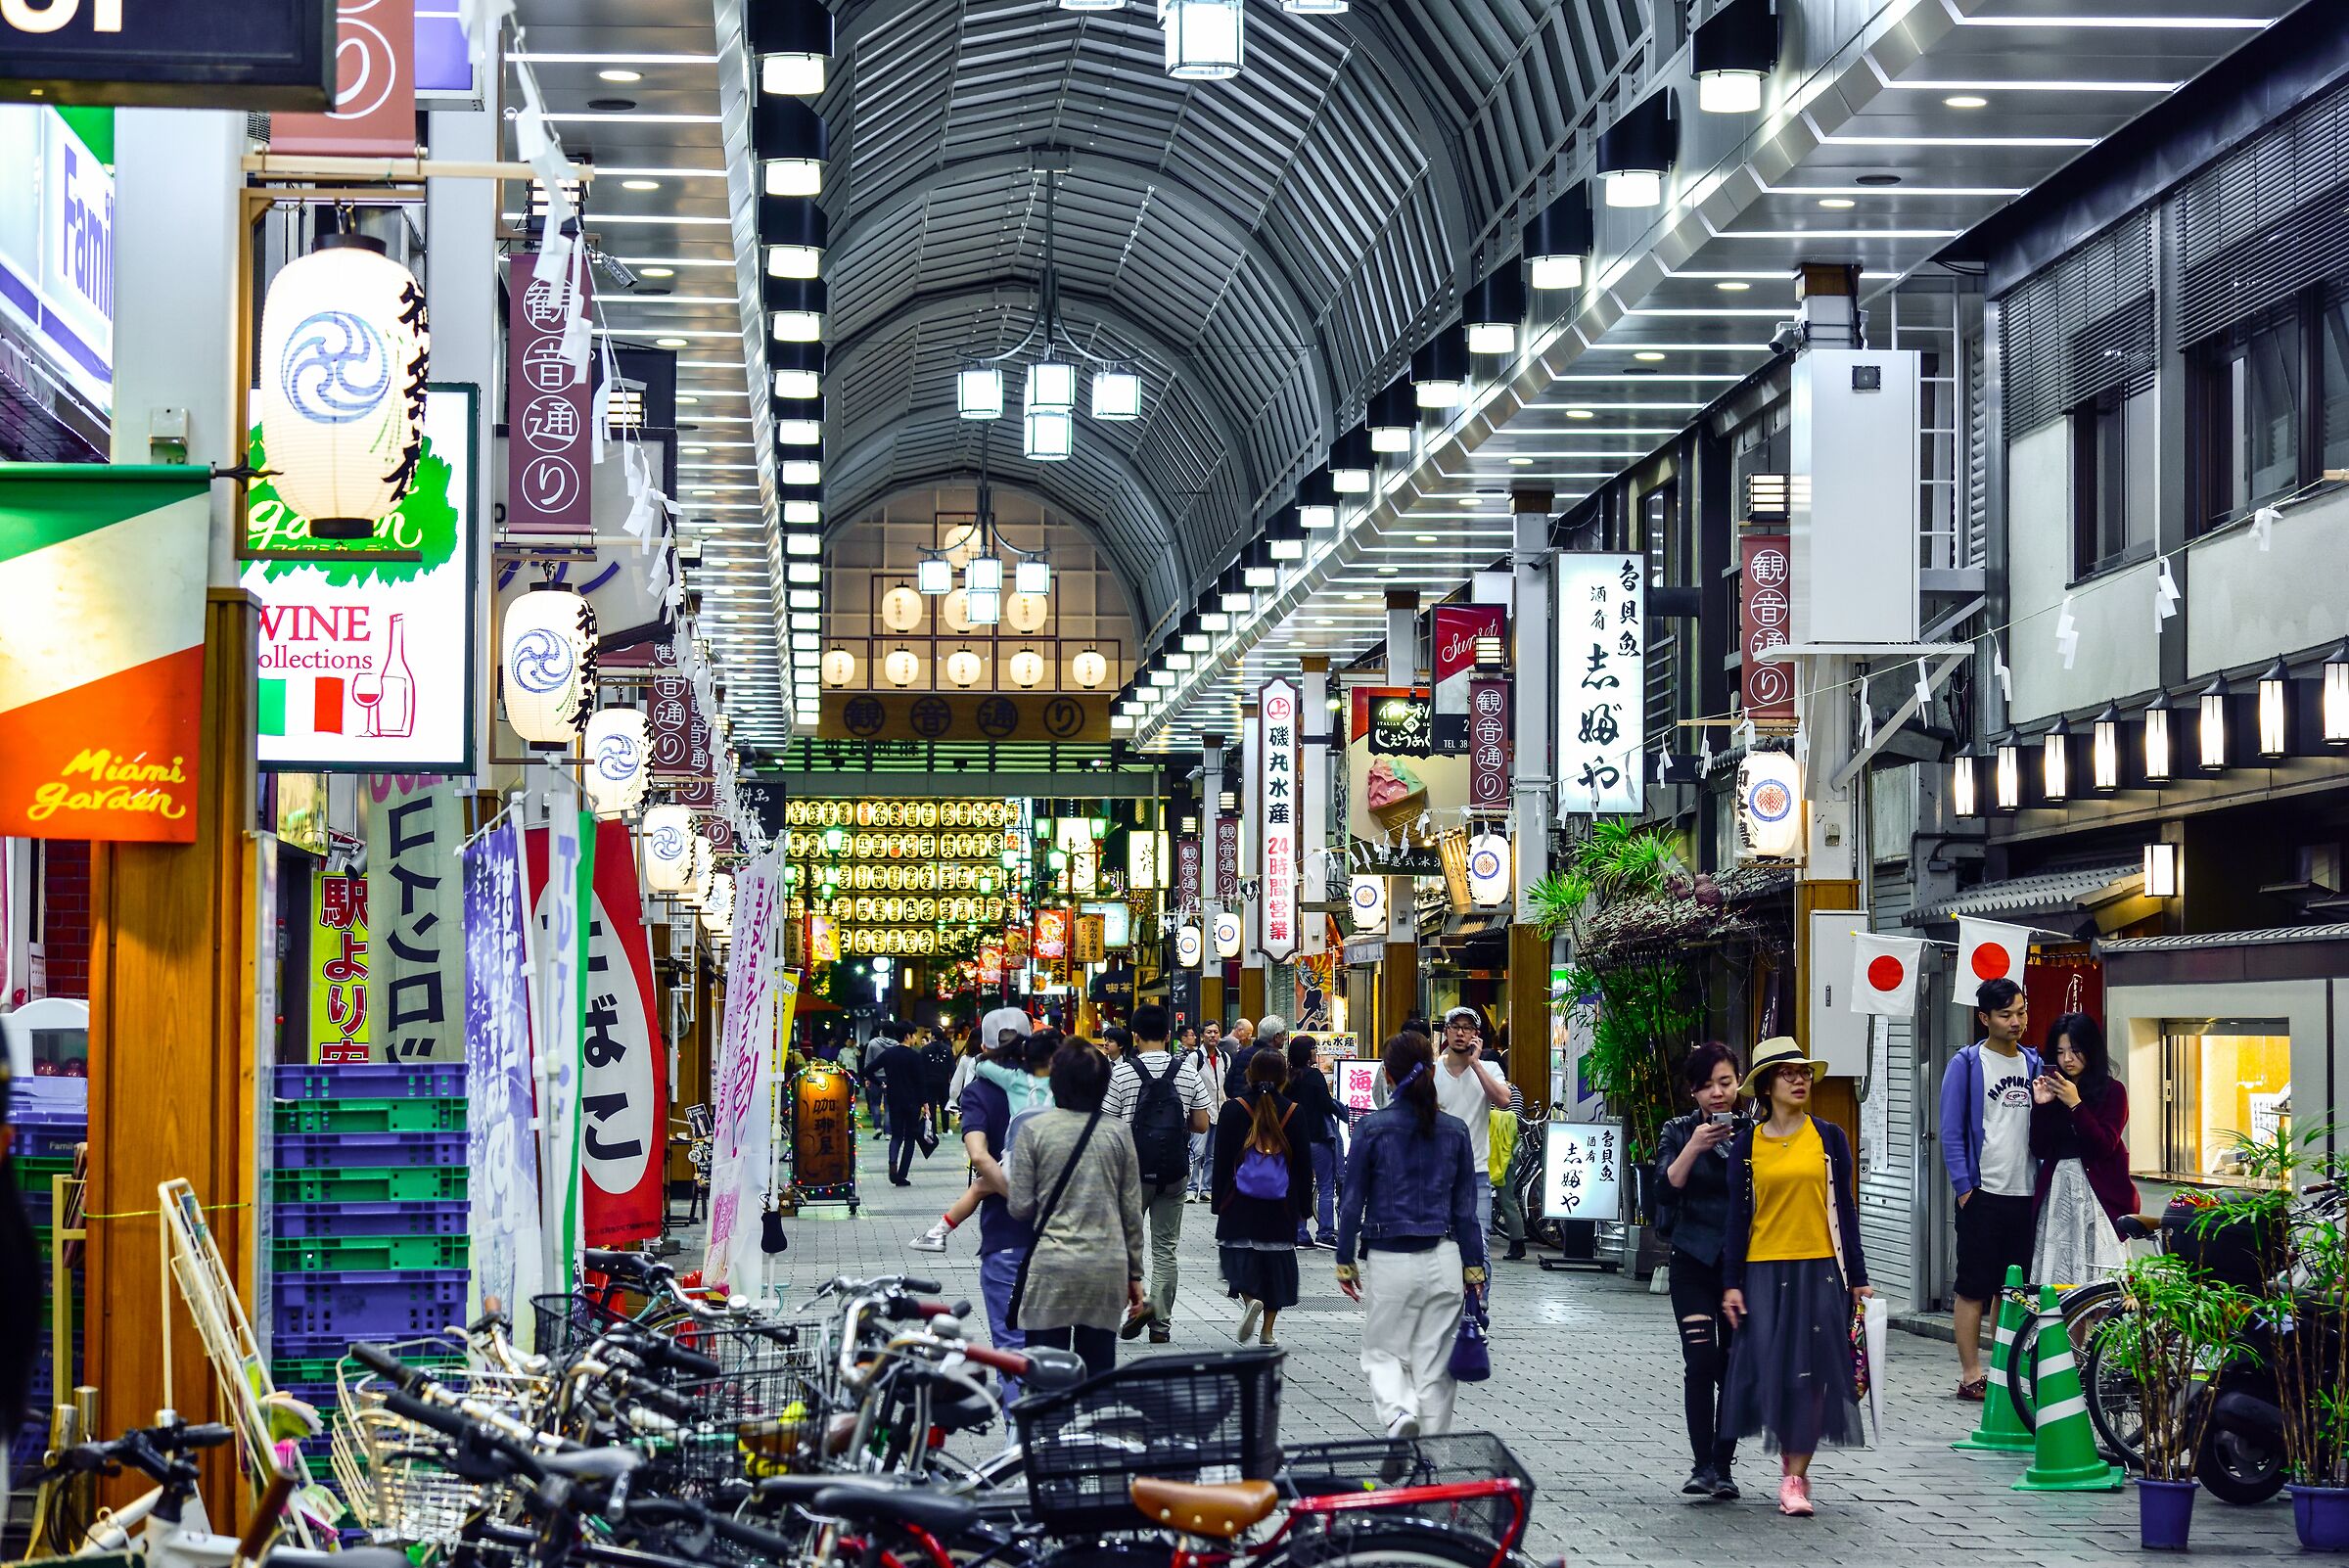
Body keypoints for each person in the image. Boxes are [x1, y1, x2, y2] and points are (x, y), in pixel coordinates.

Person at [1719, 1038, 1871, 1518]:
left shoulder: (1828, 1137)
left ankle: (1795, 1476)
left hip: (1822, 1268)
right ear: (1766, 1086)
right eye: (1788, 1073)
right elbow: (1737, 1219)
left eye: (1804, 1072)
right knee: (1775, 1374)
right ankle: (1791, 1463)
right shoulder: (1746, 1145)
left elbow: (1845, 1209)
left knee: (1813, 1378)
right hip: (1763, 1269)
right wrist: (1731, 1282)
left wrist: (1860, 1278)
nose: (1800, 1079)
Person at [1335, 1033, 1489, 1440]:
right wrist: (1475, 1271)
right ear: (1433, 1072)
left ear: (1386, 1075)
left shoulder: (1371, 1128)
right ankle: (1431, 1463)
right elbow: (1466, 1212)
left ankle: (1400, 1416)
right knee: (1435, 1366)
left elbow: (1351, 1203)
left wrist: (1344, 1258)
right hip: (1445, 1259)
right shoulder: (1456, 1132)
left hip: (1389, 1259)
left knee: (1383, 1352)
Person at [1006, 1042, 1147, 1377]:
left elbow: (1021, 1206)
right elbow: (1132, 1212)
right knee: (1097, 1374)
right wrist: (1135, 1275)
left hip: (1051, 1268)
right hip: (1105, 1269)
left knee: (1044, 1376)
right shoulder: (1119, 1133)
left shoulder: (1033, 1130)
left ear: (1057, 1082)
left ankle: (1049, 1430)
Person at [1937, 977, 2040, 1400]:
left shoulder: (2034, 1064)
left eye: (2021, 1012)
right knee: (1974, 1286)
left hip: (2027, 1191)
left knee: (2014, 1289)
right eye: (2006, 1015)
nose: (2016, 1021)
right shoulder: (1967, 1063)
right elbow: (1950, 1129)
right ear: (1985, 1018)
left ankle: (2004, 1371)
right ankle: (1970, 1373)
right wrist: (1965, 1188)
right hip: (1983, 1192)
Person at [1651, 1042, 1745, 1500]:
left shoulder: (1754, 1134)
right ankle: (1701, 1464)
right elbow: (1664, 1190)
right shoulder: (1678, 1130)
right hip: (1691, 1259)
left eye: (1725, 1082)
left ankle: (1724, 1467)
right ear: (1693, 1092)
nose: (1717, 1094)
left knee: (1731, 1365)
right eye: (1707, 1086)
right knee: (1701, 1360)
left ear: (1739, 1083)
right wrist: (1694, 1146)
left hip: (1740, 1266)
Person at [1101, 1004, 1214, 1344]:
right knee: (1166, 1249)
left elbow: (1107, 1127)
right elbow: (1201, 1123)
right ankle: (1160, 1323)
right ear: (1168, 1035)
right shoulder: (1187, 1072)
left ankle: (1134, 1305)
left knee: (1123, 1245)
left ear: (1134, 1037)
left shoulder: (1120, 1074)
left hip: (1131, 1174)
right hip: (1174, 1173)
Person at [959, 1030, 1058, 1392]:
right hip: (1062, 1237)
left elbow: (979, 1155)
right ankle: (1050, 1430)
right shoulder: (1067, 1092)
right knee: (1051, 1344)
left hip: (1005, 1234)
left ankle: (1020, 1430)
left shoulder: (982, 1091)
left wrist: (1015, 1197)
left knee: (1010, 1344)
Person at [910, 1029, 1056, 1252]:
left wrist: (999, 1050)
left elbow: (981, 1065)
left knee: (979, 1186)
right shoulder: (1061, 1084)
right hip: (1055, 1156)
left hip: (1018, 1159)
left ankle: (938, 1233)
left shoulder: (1015, 1079)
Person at [1213, 1049, 1313, 1344]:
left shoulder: (1234, 1109)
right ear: (1284, 1077)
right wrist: (1303, 1206)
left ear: (1249, 1075)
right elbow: (1303, 1165)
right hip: (1280, 1204)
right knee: (1276, 1266)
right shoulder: (1294, 1112)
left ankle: (1249, 1300)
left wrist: (1219, 1201)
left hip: (1239, 1202)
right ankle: (1268, 1332)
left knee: (1237, 1257)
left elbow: (1221, 1161)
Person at [2030, 1012, 2135, 1287]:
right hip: (2059, 1193)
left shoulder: (2113, 1091)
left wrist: (2076, 1105)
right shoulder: (2053, 1089)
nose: (2067, 1059)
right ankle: (2067, 1332)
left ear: (2091, 1049)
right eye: (2061, 1051)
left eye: (2075, 1051)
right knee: (2061, 1289)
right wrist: (2041, 1107)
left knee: (2104, 1286)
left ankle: (2102, 1332)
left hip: (2099, 1198)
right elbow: (2039, 1147)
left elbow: (2102, 1145)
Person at [1434, 1008, 1513, 1237]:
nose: (1460, 1033)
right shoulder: (1432, 1071)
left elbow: (1504, 1100)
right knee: (1439, 1244)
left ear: (1476, 1034)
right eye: (1455, 1027)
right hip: (1438, 1171)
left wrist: (1476, 1064)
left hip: (1476, 1171)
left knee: (1479, 1245)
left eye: (1467, 1028)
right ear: (1446, 1032)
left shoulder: (1489, 1069)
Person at [1286, 1035, 1343, 1248]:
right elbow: (1326, 1104)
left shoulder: (1288, 1078)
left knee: (1299, 1184)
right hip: (1318, 1137)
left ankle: (1300, 1233)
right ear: (1306, 1052)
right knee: (1326, 1185)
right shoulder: (1315, 1076)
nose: (1316, 1052)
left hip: (1295, 1139)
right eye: (1313, 1048)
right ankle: (1325, 1233)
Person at [868, 1025, 929, 1185]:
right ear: (908, 1036)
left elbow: (867, 1070)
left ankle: (892, 1164)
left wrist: (881, 1084)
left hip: (894, 1099)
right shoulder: (915, 1056)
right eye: (914, 1035)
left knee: (896, 1136)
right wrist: (925, 1103)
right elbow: (920, 1082)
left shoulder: (888, 1055)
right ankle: (901, 1175)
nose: (915, 1038)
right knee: (910, 1138)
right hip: (912, 1102)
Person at [1186, 1020, 1229, 1201]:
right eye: (1209, 1032)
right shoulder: (1195, 1058)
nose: (1213, 1036)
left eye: (1216, 1032)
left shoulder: (1225, 1058)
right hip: (1200, 1110)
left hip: (1219, 1110)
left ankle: (1206, 1189)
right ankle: (1191, 1188)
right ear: (1202, 1036)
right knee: (1197, 1151)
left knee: (1213, 1154)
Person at [1224, 1014, 1284, 1097]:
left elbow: (1228, 1087)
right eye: (1283, 1034)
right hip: (1264, 1108)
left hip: (1239, 1105)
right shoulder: (1277, 1059)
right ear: (1276, 1036)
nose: (1285, 1038)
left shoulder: (1241, 1053)